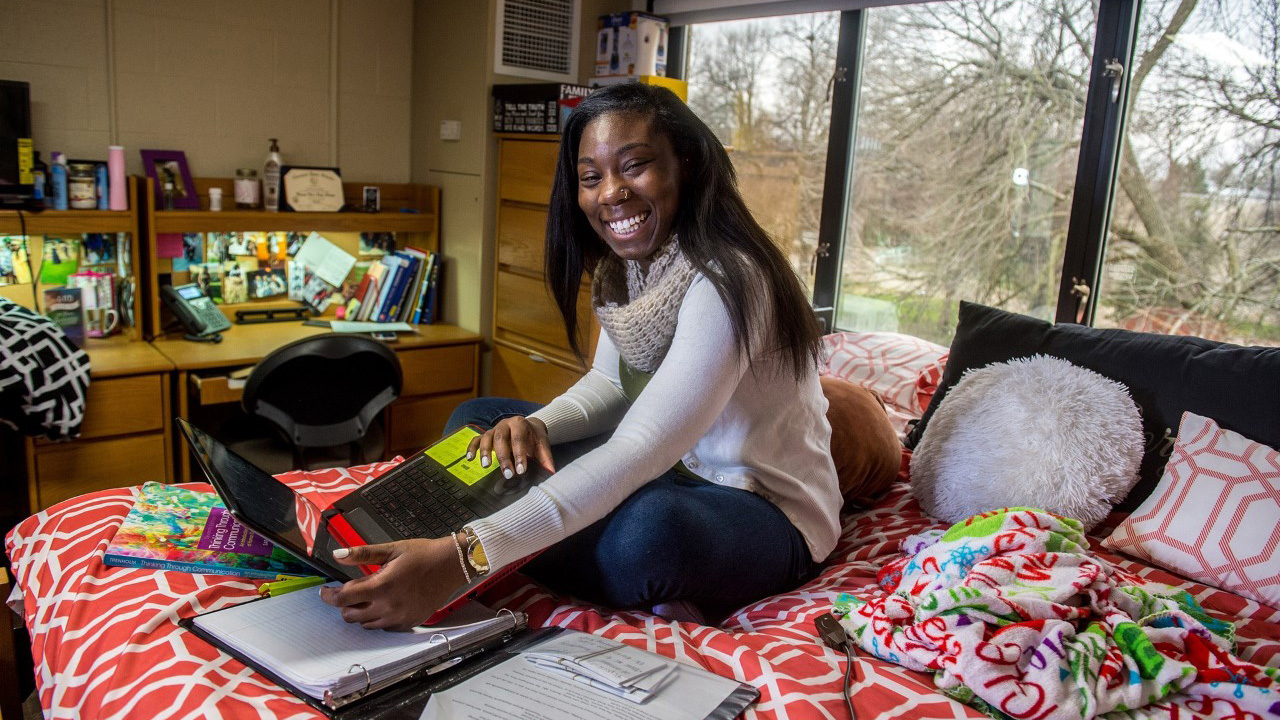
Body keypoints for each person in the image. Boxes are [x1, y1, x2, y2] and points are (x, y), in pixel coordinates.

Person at [321, 84, 842, 630]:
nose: (611, 193)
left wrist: (463, 559)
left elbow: (641, 446)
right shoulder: (631, 267)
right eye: (591, 177)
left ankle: (515, 537)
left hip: (756, 504)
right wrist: (534, 425)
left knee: (645, 537)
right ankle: (552, 541)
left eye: (634, 166)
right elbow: (611, 387)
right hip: (669, 469)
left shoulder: (730, 280)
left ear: (684, 164)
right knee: (478, 426)